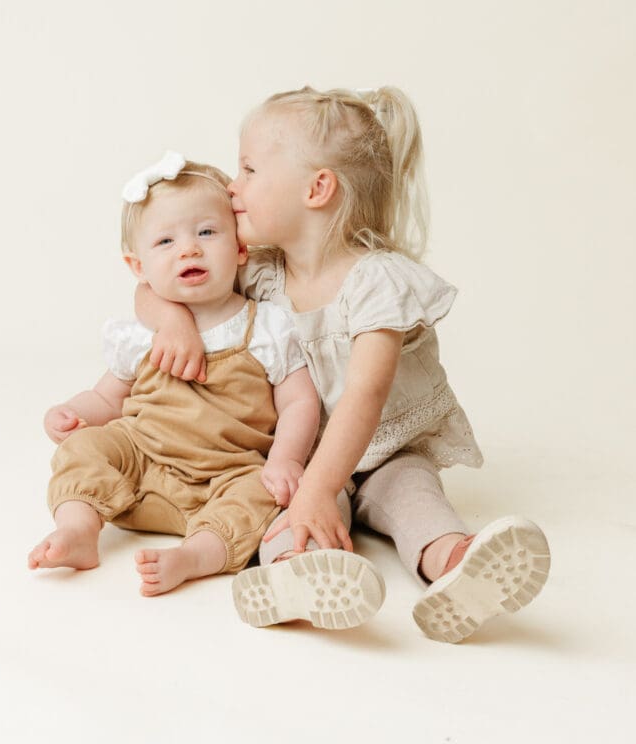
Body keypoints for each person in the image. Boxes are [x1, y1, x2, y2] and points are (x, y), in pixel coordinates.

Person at [136, 92, 551, 643]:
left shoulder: (378, 281)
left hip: (385, 450)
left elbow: (364, 397)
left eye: (250, 169)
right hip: (300, 454)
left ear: (316, 189)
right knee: (286, 505)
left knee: (412, 497)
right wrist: (173, 323)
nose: (232, 187)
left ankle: (457, 565)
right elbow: (150, 282)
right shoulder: (260, 272)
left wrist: (317, 490)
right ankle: (294, 579)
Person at [28, 152, 385, 617]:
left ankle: (194, 557)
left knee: (263, 492)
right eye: (166, 241)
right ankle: (78, 529)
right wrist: (75, 414)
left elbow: (300, 401)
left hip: (228, 472)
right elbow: (107, 397)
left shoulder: (266, 325)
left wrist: (284, 459)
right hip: (143, 464)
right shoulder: (140, 332)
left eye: (207, 232)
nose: (189, 249)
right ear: (138, 267)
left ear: (239, 250)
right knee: (87, 447)